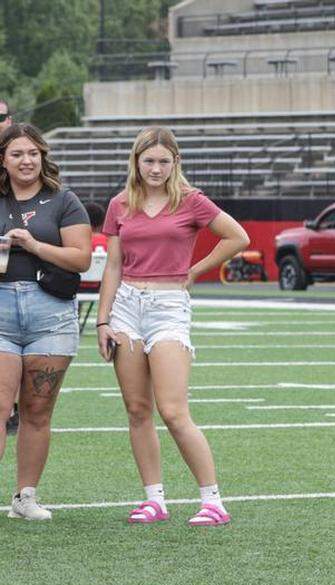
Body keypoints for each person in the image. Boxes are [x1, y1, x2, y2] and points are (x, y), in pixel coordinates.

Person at [96, 127, 249, 526]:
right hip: (126, 306)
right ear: (136, 162)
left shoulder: (192, 201)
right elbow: (112, 265)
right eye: (149, 160)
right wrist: (103, 319)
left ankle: (212, 501)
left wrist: (194, 270)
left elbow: (237, 237)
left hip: (168, 307)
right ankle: (154, 499)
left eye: (164, 161)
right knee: (137, 409)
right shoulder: (120, 204)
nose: (156, 168)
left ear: (175, 162)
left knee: (173, 410)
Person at [0, 123, 93, 520]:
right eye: (18, 153)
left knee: (38, 411)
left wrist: (34, 245)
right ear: (3, 159)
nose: (26, 160)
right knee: (1, 408)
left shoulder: (63, 200)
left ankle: (25, 498)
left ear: (43, 156)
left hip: (51, 312)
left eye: (33, 153)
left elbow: (82, 258)